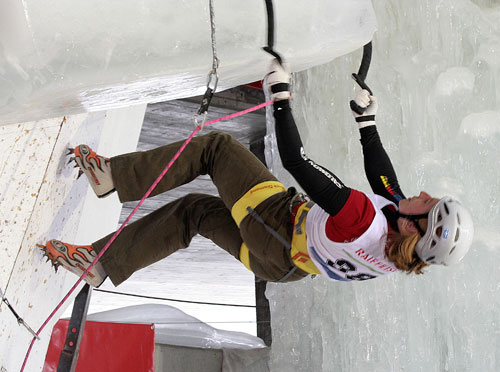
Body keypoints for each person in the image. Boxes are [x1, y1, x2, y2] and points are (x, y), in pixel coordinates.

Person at [39, 60, 474, 287]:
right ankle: (100, 264)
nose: (421, 193)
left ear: (419, 224)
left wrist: (279, 93)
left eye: (429, 202)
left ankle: (111, 176)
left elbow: (296, 160)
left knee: (216, 148)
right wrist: (366, 122)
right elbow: (389, 187)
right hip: (283, 268)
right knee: (194, 213)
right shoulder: (405, 251)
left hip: (279, 227)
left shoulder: (361, 217)